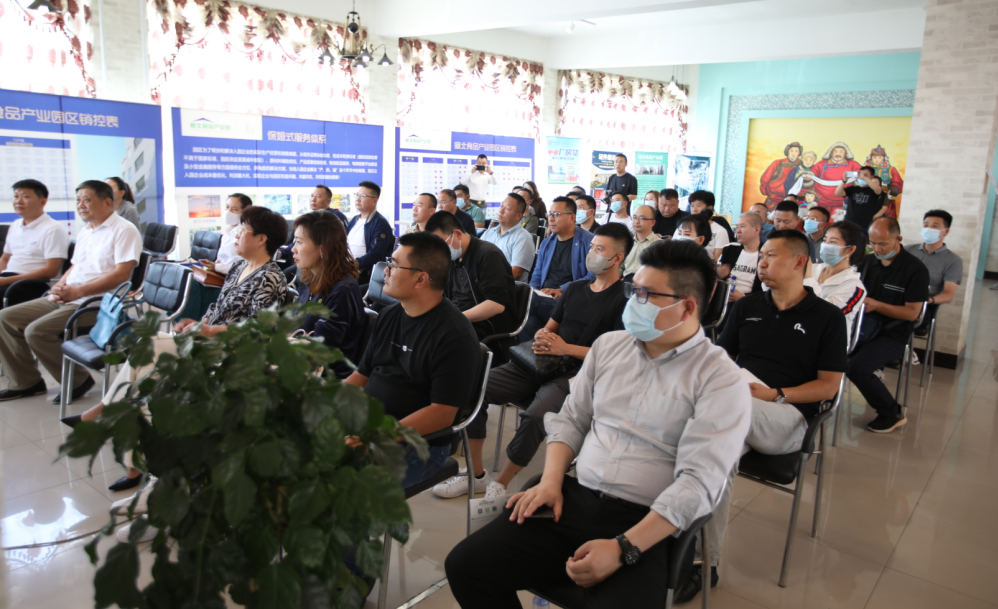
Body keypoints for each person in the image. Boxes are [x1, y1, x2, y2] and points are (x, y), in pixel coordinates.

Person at [445, 239, 751, 609]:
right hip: (575, 498)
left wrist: (624, 548)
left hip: (649, 521)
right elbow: (571, 419)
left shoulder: (720, 379)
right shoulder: (609, 348)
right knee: (466, 567)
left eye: (645, 294)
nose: (633, 301)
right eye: (633, 290)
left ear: (686, 307)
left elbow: (699, 483)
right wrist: (551, 480)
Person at [61, 206, 289, 492]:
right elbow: (215, 309)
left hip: (233, 353)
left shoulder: (270, 277)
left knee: (150, 353)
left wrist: (209, 332)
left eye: (242, 231)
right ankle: (129, 454)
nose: (234, 236)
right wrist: (199, 324)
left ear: (261, 239)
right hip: (207, 342)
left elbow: (259, 329)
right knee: (145, 374)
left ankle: (112, 429)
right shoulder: (238, 268)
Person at [434, 224, 632, 501]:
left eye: (600, 249)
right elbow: (550, 327)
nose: (592, 253)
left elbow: (617, 354)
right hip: (541, 362)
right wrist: (542, 335)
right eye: (591, 247)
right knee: (471, 389)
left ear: (618, 258)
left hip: (577, 373)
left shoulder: (624, 301)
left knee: (538, 415)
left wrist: (566, 348)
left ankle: (501, 482)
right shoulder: (575, 289)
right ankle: (476, 475)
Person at [705, 230, 847, 601]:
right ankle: (703, 563)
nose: (762, 263)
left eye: (771, 255)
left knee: (715, 414)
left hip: (789, 417)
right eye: (762, 255)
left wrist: (777, 394)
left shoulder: (828, 318)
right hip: (737, 411)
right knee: (713, 457)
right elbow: (722, 360)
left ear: (799, 261)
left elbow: (829, 387)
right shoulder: (747, 307)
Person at [345, 231, 482, 488]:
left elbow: (442, 414)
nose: (386, 270)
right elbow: (361, 375)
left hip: (417, 445)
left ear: (421, 279)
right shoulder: (389, 315)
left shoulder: (455, 334)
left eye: (394, 264)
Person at [0, 180, 141, 403]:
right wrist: (60, 286)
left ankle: (78, 381)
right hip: (68, 296)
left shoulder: (124, 230)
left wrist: (77, 292)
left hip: (95, 304)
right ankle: (26, 382)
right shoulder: (86, 230)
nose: (80, 205)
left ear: (107, 202)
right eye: (78, 200)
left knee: (36, 332)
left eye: (87, 200)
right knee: (4, 318)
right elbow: (75, 266)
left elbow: (121, 275)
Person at [849, 217, 929, 434]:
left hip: (893, 332)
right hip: (862, 327)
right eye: (873, 243)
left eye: (883, 244)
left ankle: (891, 412)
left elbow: (913, 313)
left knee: (857, 368)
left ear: (898, 239)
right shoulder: (868, 262)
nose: (877, 249)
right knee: (822, 352)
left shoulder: (915, 269)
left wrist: (878, 306)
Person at [425, 211, 517, 363]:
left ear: (457, 234)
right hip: (459, 323)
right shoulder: (454, 258)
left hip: (484, 329)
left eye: (441, 244)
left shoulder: (488, 255)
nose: (440, 251)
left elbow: (496, 304)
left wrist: (456, 319)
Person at [291, 211, 367, 378]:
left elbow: (321, 349)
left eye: (299, 242)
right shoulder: (309, 281)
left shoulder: (343, 291)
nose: (293, 249)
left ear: (323, 248)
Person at [524, 197, 595, 340]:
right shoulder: (547, 243)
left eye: (556, 214)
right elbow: (537, 275)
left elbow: (592, 276)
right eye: (550, 214)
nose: (550, 219)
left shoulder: (589, 241)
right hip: (543, 297)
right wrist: (533, 291)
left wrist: (562, 289)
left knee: (526, 303)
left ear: (572, 218)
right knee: (529, 320)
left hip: (570, 299)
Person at [0, 179, 70, 304]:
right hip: (8, 280)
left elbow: (51, 271)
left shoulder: (53, 229)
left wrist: (6, 281)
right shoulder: (15, 225)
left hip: (33, 285)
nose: (18, 201)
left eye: (25, 197)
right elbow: (5, 259)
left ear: (42, 202)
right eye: (16, 196)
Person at [803, 220, 868, 330]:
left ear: (850, 249)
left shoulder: (854, 287)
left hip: (826, 337)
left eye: (833, 242)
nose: (825, 245)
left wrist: (808, 278)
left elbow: (824, 316)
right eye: (824, 240)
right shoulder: (813, 269)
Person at [906, 209, 963, 314]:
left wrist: (928, 301)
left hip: (924, 306)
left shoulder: (953, 260)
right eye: (926, 225)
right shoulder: (907, 250)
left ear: (946, 231)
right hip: (896, 297)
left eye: (934, 226)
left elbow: (948, 294)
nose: (928, 229)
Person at [346, 181, 393, 285]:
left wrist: (352, 264)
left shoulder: (380, 223)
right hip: (346, 268)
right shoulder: (354, 220)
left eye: (362, 196)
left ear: (374, 201)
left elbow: (376, 254)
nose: (357, 199)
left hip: (362, 272)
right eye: (357, 195)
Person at [480, 193, 534, 281]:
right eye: (501, 206)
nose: (501, 210)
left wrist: (486, 280)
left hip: (504, 286)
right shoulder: (489, 233)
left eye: (507, 208)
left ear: (518, 216)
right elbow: (476, 257)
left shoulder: (523, 238)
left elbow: (515, 273)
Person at [717, 212, 764, 301]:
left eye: (742, 226)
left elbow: (767, 291)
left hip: (751, 301)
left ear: (756, 229)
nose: (738, 231)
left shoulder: (766, 254)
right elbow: (717, 277)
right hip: (724, 298)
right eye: (737, 227)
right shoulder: (730, 249)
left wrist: (744, 297)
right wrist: (719, 273)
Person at [201, 193, 252, 275]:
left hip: (234, 277)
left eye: (234, 209)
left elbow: (244, 267)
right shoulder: (227, 231)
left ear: (245, 212)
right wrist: (215, 265)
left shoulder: (247, 233)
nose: (228, 212)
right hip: (220, 273)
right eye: (227, 207)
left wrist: (216, 267)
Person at [835, 166, 886, 233]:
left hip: (865, 226)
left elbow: (878, 190)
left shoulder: (873, 190)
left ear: (871, 177)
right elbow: (838, 192)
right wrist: (844, 180)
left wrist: (864, 178)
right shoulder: (853, 189)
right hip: (848, 223)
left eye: (865, 174)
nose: (861, 176)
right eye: (860, 174)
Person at [687, 193, 729, 261]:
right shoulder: (683, 227)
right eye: (692, 206)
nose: (694, 209)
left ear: (710, 208)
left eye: (698, 206)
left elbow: (718, 261)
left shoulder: (720, 231)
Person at [622, 204, 660, 279]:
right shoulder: (626, 242)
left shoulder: (660, 245)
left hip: (648, 282)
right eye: (634, 217)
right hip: (625, 282)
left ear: (653, 222)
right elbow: (620, 267)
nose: (636, 221)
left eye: (642, 218)